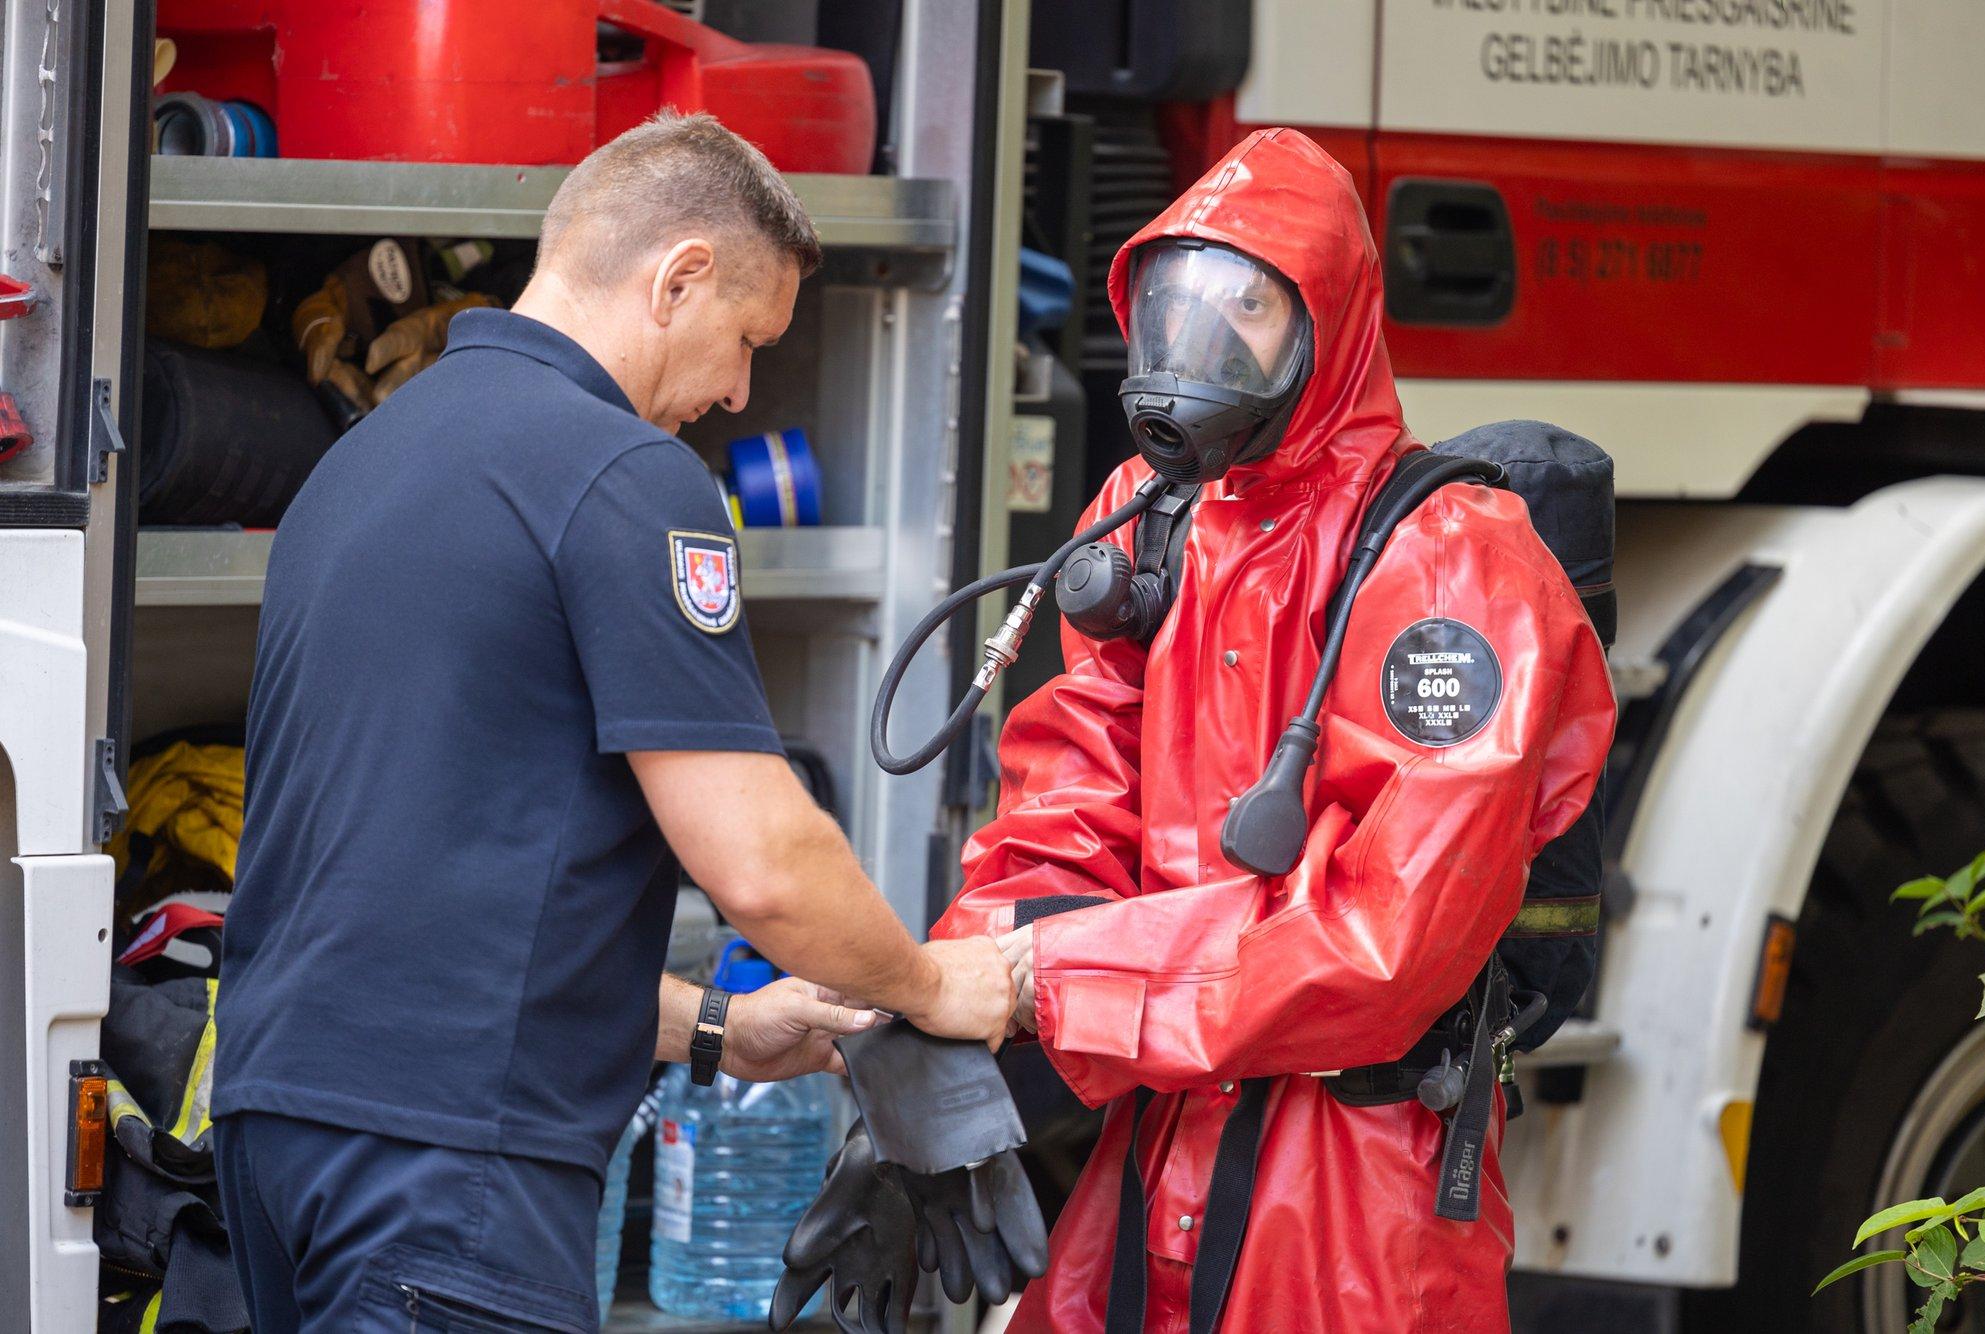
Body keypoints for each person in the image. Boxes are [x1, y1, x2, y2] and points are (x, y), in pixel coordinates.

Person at [210, 112, 1012, 1332]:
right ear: (677, 275)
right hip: (452, 1178)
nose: (742, 390)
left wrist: (721, 1030)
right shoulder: (627, 477)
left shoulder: (362, 464)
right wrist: (927, 983)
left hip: (281, 1142)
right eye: (745, 339)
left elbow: (426, 907)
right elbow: (762, 863)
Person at [932, 128, 1618, 1329]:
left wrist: (1043, 979)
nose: (1197, 339)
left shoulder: (1453, 565)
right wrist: (937, 1057)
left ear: (1330, 325)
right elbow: (1062, 808)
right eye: (1174, 300)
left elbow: (1382, 941)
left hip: (1356, 1186)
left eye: (1246, 303)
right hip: (1150, 1155)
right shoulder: (1149, 527)